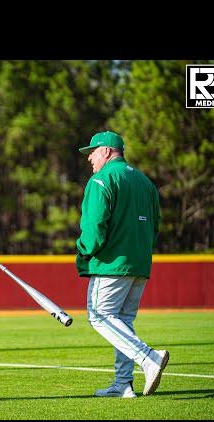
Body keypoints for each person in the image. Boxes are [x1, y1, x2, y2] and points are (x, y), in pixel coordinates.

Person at [76, 131, 169, 398]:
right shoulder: (146, 183)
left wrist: (83, 250)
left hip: (111, 263)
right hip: (139, 264)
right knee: (123, 320)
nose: (89, 158)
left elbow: (93, 229)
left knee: (99, 315)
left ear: (106, 151)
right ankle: (122, 384)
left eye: (92, 152)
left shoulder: (101, 179)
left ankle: (149, 357)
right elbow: (156, 226)